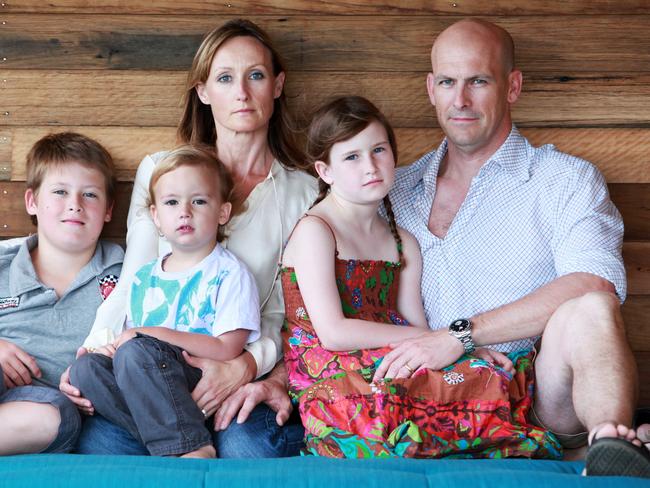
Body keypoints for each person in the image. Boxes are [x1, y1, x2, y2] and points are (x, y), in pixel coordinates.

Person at [378, 19, 650, 477]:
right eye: (447, 81)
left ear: (513, 86)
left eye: (478, 81)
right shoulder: (392, 189)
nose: (460, 100)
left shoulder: (563, 179)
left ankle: (611, 449)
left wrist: (460, 336)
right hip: (422, 402)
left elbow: (594, 281)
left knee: (593, 308)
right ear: (430, 88)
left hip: (535, 402)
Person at [59, 18, 317, 457]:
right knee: (99, 442)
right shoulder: (161, 170)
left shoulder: (304, 191)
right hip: (150, 369)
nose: (242, 91)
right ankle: (180, 439)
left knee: (248, 449)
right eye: (224, 78)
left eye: (255, 75)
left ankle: (183, 441)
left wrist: (246, 366)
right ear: (203, 92)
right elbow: (136, 278)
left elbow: (289, 313)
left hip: (238, 368)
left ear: (277, 85)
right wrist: (94, 347)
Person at [280, 95, 562, 459]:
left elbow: (415, 323)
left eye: (379, 150)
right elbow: (333, 332)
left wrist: (459, 346)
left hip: (391, 355)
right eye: (352, 157)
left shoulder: (402, 242)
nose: (371, 166)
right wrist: (444, 338)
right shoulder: (317, 230)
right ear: (325, 171)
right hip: (330, 366)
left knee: (480, 373)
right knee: (382, 408)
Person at [69, 146, 261, 458]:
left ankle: (193, 447)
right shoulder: (145, 277)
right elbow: (131, 341)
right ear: (157, 217)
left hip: (197, 378)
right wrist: (108, 348)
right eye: (172, 202)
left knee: (136, 352)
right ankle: (172, 437)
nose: (185, 211)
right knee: (86, 369)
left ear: (222, 212)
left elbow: (229, 348)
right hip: (149, 383)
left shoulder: (230, 272)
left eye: (199, 201)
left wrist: (150, 335)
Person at [0, 132, 122, 455]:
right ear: (32, 202)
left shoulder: (125, 274)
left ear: (109, 209)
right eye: (59, 191)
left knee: (56, 417)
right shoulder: (4, 265)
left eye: (90, 195)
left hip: (44, 410)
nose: (75, 205)